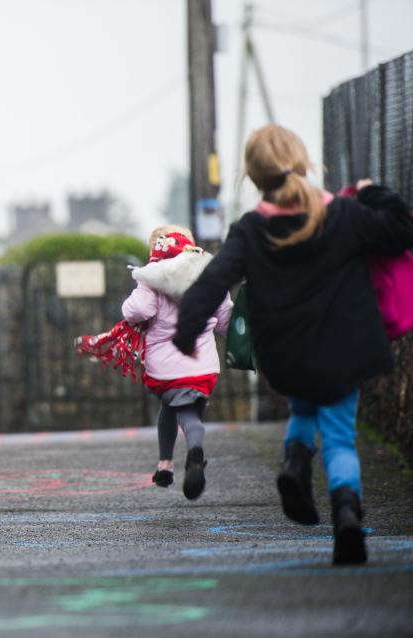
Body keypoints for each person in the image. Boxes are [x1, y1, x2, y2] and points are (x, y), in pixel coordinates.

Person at [174, 124, 413, 564]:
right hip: (344, 353)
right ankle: (346, 516)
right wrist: (373, 192)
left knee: (304, 408)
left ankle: (296, 462)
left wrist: (186, 331)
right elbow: (400, 232)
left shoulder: (250, 229)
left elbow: (214, 280)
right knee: (340, 438)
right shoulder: (344, 215)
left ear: (254, 176)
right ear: (303, 164)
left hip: (286, 355)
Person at [115, 227, 231, 500]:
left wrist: (135, 300)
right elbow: (225, 318)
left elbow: (139, 310)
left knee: (175, 405)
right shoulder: (207, 275)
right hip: (201, 365)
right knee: (187, 409)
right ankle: (172, 461)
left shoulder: (153, 277)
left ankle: (176, 460)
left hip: (165, 368)